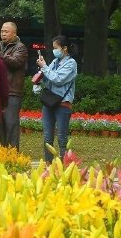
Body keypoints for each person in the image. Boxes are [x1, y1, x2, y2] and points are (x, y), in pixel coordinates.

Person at [36, 35, 77, 163]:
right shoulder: (55, 62)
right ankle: (49, 164)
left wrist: (45, 67)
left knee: (62, 137)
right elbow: (49, 79)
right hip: (49, 102)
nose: (54, 50)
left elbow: (58, 80)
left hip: (63, 104)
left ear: (64, 48)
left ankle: (63, 165)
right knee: (47, 136)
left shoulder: (71, 63)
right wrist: (40, 77)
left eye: (56, 48)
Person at [0, 22, 28, 150]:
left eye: (6, 31)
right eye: (2, 31)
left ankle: (13, 156)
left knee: (11, 124)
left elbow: (15, 62)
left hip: (12, 92)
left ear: (14, 33)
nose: (3, 33)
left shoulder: (20, 47)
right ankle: (3, 153)